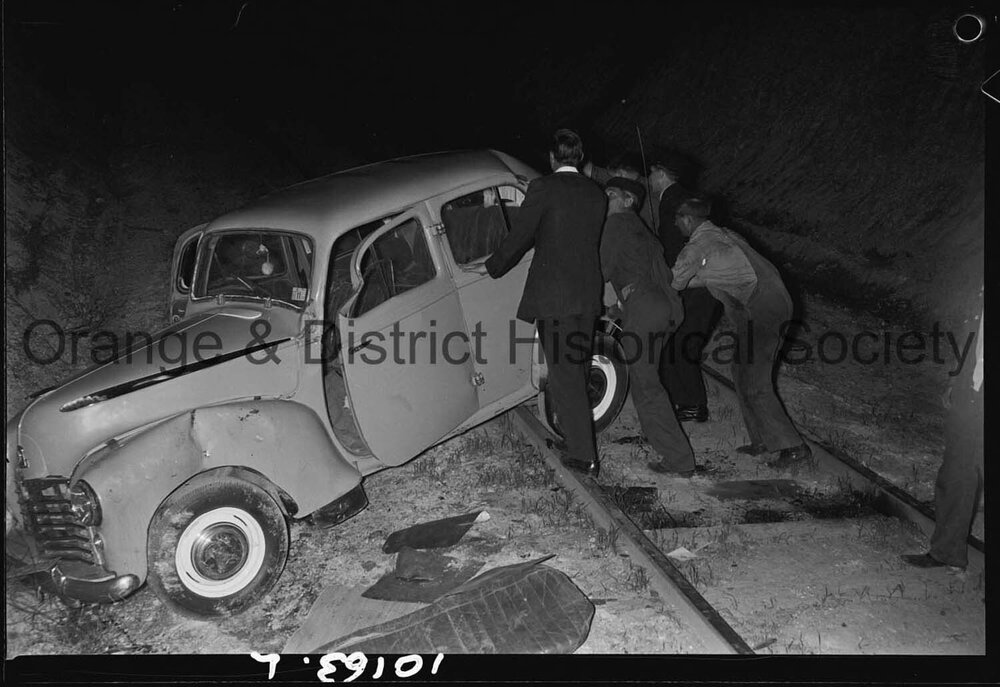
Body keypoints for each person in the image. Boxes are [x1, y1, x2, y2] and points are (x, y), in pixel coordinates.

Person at [464, 129, 607, 477]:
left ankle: (584, 456)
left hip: (556, 298)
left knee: (565, 375)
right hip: (587, 295)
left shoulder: (544, 188)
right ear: (580, 158)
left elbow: (520, 236)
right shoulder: (596, 193)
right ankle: (575, 441)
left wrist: (491, 266)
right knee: (573, 370)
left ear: (552, 157)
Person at [670, 198, 811, 467]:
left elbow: (673, 283)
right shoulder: (722, 234)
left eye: (677, 219)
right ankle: (763, 440)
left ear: (687, 219)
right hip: (769, 301)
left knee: (755, 380)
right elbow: (703, 278)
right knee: (741, 371)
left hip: (765, 309)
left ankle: (794, 448)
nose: (675, 224)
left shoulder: (697, 247)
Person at [600, 177, 696, 475]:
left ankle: (680, 459)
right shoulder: (643, 230)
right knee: (646, 382)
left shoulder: (616, 224)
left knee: (646, 384)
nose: (605, 199)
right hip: (664, 307)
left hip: (645, 308)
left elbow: (601, 270)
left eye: (611, 194)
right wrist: (617, 308)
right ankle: (671, 450)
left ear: (628, 201)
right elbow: (649, 276)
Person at [902, 298, 983, 572]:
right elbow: (971, 337)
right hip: (971, 394)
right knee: (956, 472)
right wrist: (955, 379)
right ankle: (947, 552)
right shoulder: (980, 292)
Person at [648, 159, 721, 423]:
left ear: (661, 173)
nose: (649, 178)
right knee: (677, 343)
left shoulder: (674, 202)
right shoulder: (680, 199)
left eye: (652, 173)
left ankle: (693, 403)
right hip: (694, 286)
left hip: (696, 290)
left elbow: (678, 253)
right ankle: (686, 400)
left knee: (682, 344)